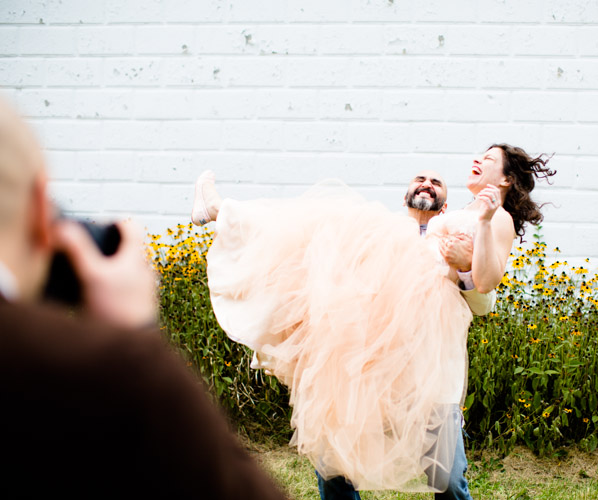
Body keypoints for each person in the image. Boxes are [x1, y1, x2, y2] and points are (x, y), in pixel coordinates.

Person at [191, 143, 554, 494]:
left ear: (505, 179)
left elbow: (487, 283)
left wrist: (476, 244)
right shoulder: (412, 228)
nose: (477, 159)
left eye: (488, 158)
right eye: (420, 179)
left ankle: (224, 211)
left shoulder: (495, 218)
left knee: (446, 476)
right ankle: (222, 210)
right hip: (379, 338)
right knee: (321, 228)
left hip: (429, 347)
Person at [0, 98, 288, 499]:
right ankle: (222, 210)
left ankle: (222, 211)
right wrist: (135, 335)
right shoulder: (76, 370)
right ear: (39, 209)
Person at [315, 169, 497, 499]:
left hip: (434, 379)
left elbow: (483, 304)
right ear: (405, 197)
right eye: (420, 179)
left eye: (436, 182)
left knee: (450, 481)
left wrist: (466, 266)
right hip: (373, 375)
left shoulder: (460, 235)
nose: (427, 184)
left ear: (444, 205)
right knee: (333, 465)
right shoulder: (378, 237)